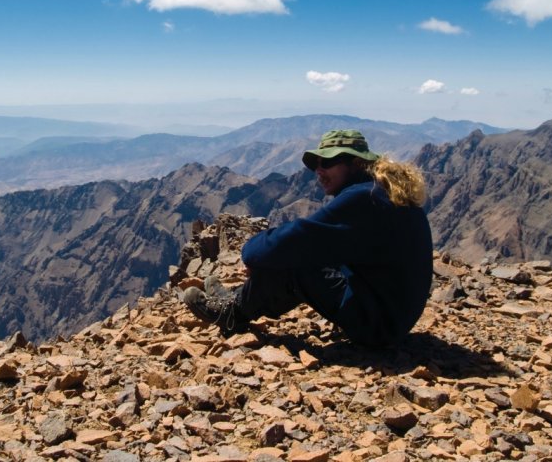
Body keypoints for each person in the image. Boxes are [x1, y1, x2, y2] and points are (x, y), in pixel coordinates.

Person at [182, 129, 433, 346]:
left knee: (293, 258)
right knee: (306, 253)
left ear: (356, 164)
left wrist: (253, 253)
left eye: (327, 163)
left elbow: (298, 237)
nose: (318, 171)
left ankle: (233, 313)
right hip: (389, 315)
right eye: (316, 164)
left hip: (379, 325)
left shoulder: (363, 199)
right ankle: (238, 296)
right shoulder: (381, 192)